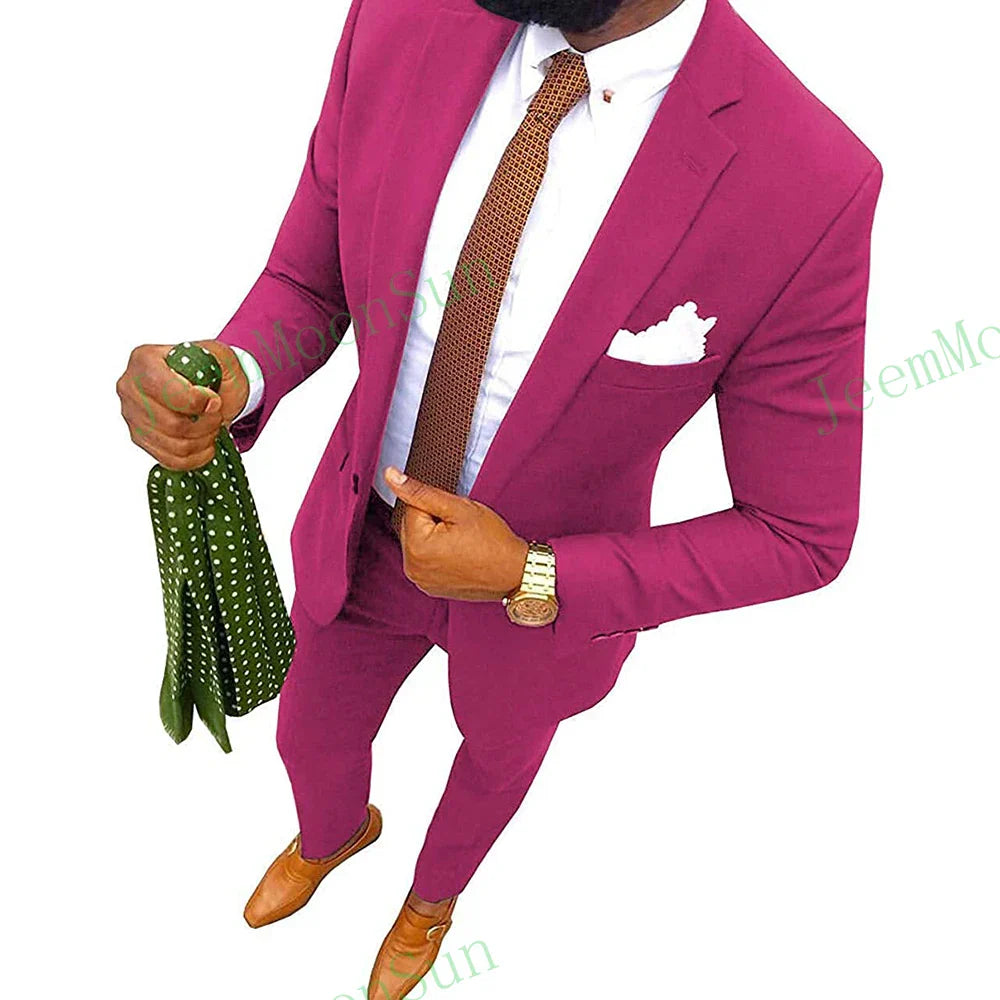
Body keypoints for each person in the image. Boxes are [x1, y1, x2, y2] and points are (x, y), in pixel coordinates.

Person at [116, 0, 883, 994]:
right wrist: (239, 371)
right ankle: (332, 836)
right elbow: (312, 280)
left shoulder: (811, 180)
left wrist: (534, 572)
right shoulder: (398, 19)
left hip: (542, 609)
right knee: (309, 732)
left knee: (492, 768)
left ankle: (430, 903)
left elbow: (799, 532)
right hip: (362, 535)